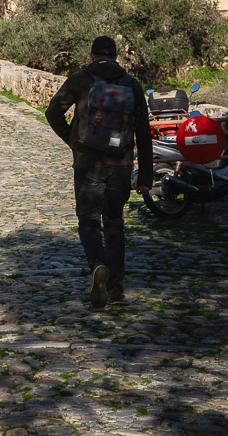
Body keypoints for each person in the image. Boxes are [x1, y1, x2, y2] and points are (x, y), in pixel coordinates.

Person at [45, 36, 153, 308]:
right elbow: (143, 132)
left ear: (91, 56)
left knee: (89, 221)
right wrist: (146, 176)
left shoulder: (80, 80)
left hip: (87, 163)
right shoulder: (131, 84)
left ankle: (97, 263)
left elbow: (52, 112)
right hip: (121, 164)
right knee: (114, 223)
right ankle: (116, 288)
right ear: (116, 57)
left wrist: (73, 140)